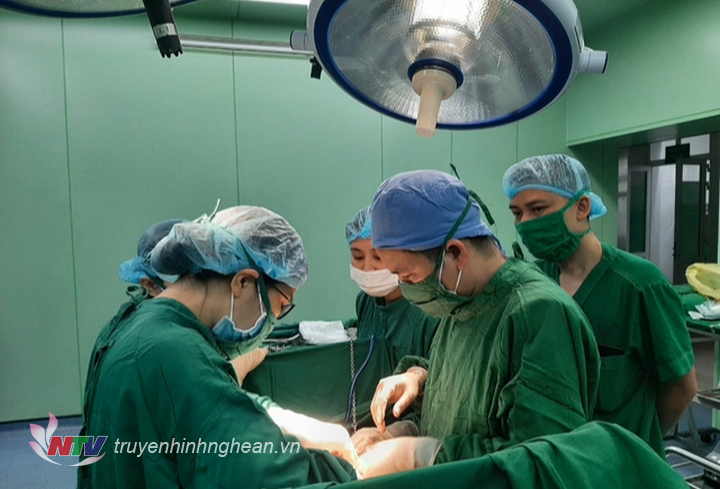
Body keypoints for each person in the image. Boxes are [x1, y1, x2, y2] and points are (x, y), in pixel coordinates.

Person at [80, 206, 358, 488]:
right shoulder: (176, 354)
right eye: (281, 304)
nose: (273, 319)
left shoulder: (126, 325)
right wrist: (350, 470)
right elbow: (263, 471)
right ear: (243, 282)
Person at [352, 170, 601, 475]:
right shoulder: (460, 303)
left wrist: (420, 454)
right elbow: (468, 406)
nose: (406, 288)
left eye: (409, 275)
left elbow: (541, 463)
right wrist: (411, 413)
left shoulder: (539, 314)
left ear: (456, 253)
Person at [502, 154, 697, 457]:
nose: (525, 223)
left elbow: (681, 387)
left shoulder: (640, 285)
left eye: (538, 209)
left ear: (582, 207)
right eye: (517, 213)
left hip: (621, 466)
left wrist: (640, 441)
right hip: (556, 463)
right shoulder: (533, 283)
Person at [346, 206, 439, 364]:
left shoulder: (432, 311)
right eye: (358, 256)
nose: (367, 268)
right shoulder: (365, 301)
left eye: (379, 257)